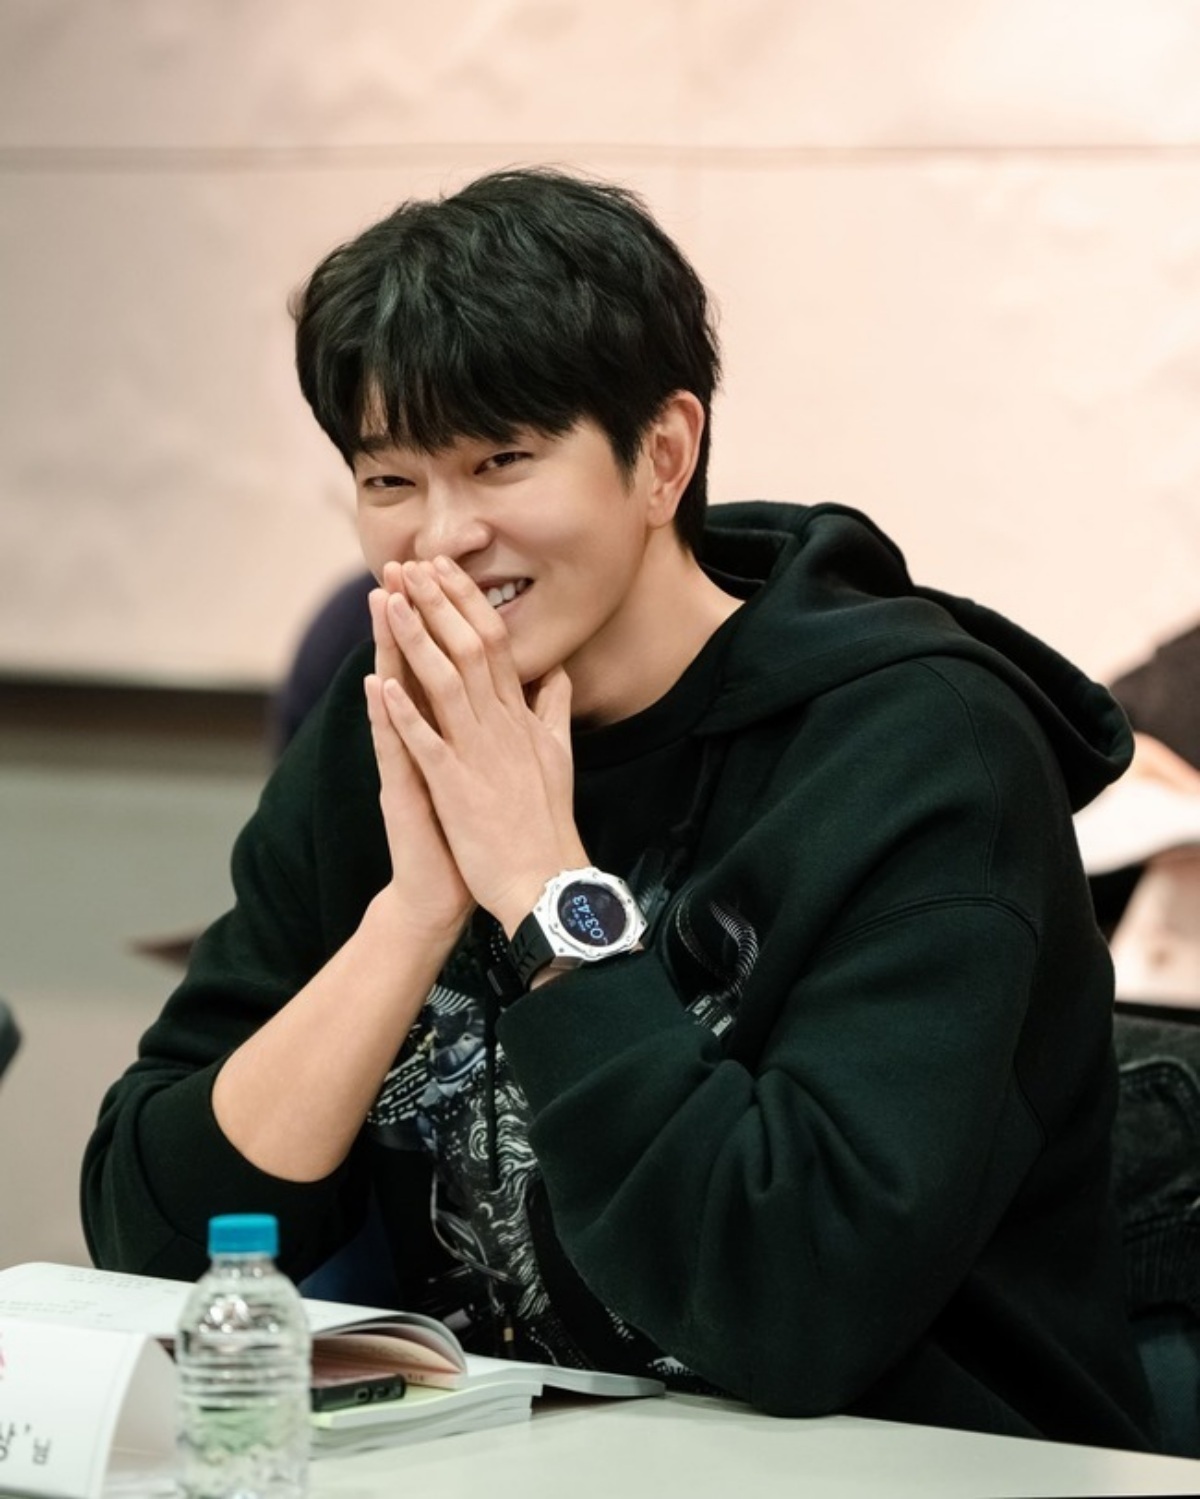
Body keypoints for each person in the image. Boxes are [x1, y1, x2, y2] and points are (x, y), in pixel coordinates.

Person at [82, 168, 1154, 1448]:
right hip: (512, 1459)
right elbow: (159, 1236)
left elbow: (794, 1303)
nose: (441, 537)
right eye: (389, 481)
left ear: (663, 455)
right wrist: (411, 916)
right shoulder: (399, 718)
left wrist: (544, 889)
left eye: (502, 460)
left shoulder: (922, 752)